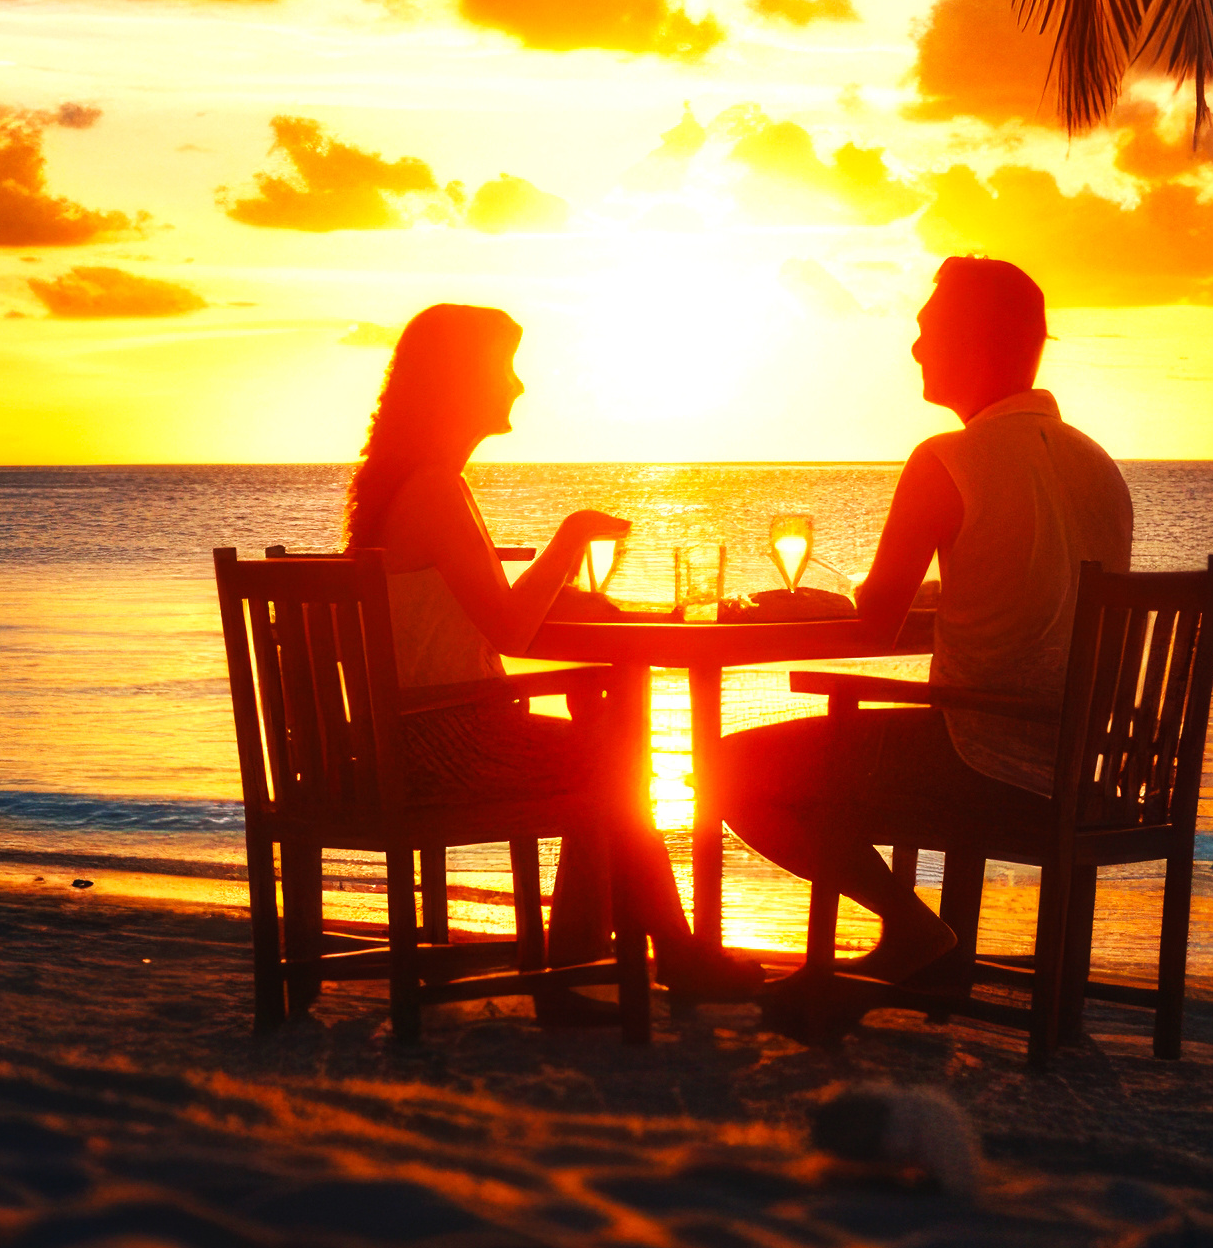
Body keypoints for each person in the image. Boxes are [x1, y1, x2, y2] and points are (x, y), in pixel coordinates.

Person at [718, 256, 1131, 1043]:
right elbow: (1041, 597)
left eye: (927, 331)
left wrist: (775, 610)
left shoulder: (946, 458)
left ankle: (913, 931)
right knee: (815, 756)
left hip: (979, 757)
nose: (913, 349)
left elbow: (872, 624)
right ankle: (921, 944)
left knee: (732, 768)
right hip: (1075, 763)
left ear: (976, 342)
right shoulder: (1096, 464)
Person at [347, 304, 762, 1005]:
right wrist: (570, 538)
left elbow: (470, 607)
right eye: (504, 367)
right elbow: (510, 632)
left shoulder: (410, 483)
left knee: (605, 748)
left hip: (400, 739)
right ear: (460, 381)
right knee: (616, 757)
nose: (518, 386)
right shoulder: (433, 488)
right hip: (444, 744)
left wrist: (561, 592)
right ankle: (668, 956)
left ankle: (598, 962)